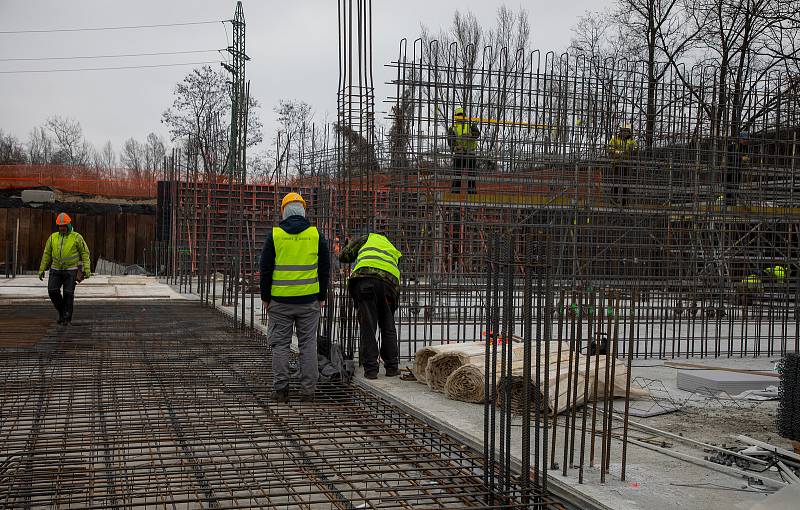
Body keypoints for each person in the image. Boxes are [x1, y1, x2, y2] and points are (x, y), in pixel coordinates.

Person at [259, 192, 330, 403]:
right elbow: (325, 269)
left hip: (280, 301)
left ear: (284, 212)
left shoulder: (275, 235)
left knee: (280, 345)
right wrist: (322, 296)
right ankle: (308, 391)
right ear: (303, 211)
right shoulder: (316, 235)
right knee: (308, 345)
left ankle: (281, 390)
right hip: (309, 301)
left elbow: (265, 269)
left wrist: (265, 297)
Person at [339, 230, 402, 379]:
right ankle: (392, 367)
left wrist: (350, 248)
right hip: (389, 285)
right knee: (388, 325)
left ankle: (371, 370)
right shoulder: (393, 248)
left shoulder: (366, 238)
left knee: (368, 325)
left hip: (365, 281)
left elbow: (344, 256)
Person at [38, 212, 92, 325]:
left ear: (68, 225)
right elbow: (47, 254)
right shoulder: (53, 238)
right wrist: (42, 269)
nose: (62, 228)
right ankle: (62, 312)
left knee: (68, 294)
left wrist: (87, 268)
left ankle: (67, 317)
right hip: (55, 269)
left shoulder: (77, 237)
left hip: (71, 270)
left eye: (64, 226)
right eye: (60, 226)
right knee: (52, 291)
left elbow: (85, 253)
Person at [448, 107, 480, 195]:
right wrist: (456, 147)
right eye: (459, 115)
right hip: (459, 153)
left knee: (471, 175)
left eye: (461, 115)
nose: (460, 117)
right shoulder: (452, 127)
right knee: (457, 175)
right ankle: (455, 192)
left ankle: (471, 192)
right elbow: (450, 142)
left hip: (470, 153)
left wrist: (470, 135)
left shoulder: (470, 124)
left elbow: (477, 134)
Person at [607, 124, 638, 206]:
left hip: (627, 164)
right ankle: (613, 202)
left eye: (626, 131)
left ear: (629, 133)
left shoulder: (632, 141)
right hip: (616, 164)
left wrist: (632, 150)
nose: (624, 133)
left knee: (626, 184)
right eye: (623, 131)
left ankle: (625, 203)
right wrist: (619, 153)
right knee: (615, 183)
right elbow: (610, 149)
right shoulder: (614, 139)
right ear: (620, 132)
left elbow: (635, 149)